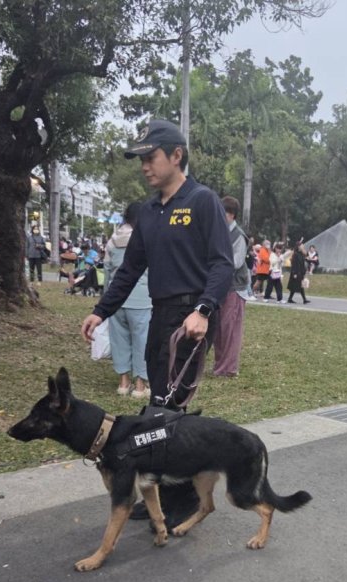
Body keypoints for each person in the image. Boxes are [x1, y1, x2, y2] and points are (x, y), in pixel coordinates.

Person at [80, 119, 233, 526]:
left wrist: (204, 310)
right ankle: (165, 493)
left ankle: (183, 497)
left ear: (176, 156)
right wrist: (101, 310)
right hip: (159, 314)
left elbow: (223, 264)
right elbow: (130, 270)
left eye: (151, 157)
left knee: (170, 409)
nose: (145, 166)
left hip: (192, 319)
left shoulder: (202, 201)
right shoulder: (148, 212)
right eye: (141, 160)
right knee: (160, 406)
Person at [105, 202, 151, 397]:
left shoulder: (113, 240)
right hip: (142, 299)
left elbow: (107, 271)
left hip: (116, 299)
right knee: (142, 342)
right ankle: (140, 385)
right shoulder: (146, 238)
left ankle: (123, 383)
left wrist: (106, 300)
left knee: (119, 341)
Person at [210, 195, 250, 377]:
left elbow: (236, 262)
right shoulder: (220, 232)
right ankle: (220, 364)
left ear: (231, 214)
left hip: (235, 288)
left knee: (230, 329)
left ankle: (229, 368)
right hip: (221, 287)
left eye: (222, 213)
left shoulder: (239, 236)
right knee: (219, 328)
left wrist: (216, 263)